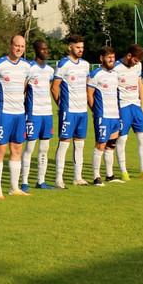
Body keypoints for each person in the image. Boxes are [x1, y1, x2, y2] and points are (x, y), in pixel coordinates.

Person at [0, 34, 31, 198]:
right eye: (17, 46)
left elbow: (24, 87)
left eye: (22, 46)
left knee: (17, 148)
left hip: (19, 114)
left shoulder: (27, 67)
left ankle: (14, 187)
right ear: (10, 46)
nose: (19, 49)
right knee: (1, 149)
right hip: (4, 114)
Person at [114, 44, 143, 181]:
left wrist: (142, 105)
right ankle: (123, 172)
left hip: (136, 106)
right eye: (135, 60)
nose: (136, 64)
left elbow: (140, 84)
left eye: (138, 62)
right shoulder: (116, 68)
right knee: (122, 140)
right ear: (129, 56)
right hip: (123, 106)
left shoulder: (137, 66)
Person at [51, 34, 90, 188]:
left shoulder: (85, 65)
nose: (80, 50)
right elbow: (54, 88)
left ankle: (77, 177)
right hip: (69, 110)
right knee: (64, 143)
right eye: (77, 47)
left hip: (82, 110)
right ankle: (59, 179)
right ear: (70, 47)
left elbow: (86, 85)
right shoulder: (63, 64)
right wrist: (61, 106)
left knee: (80, 144)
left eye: (82, 48)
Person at [87, 46, 123, 185]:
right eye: (109, 57)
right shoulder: (96, 74)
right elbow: (89, 95)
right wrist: (96, 111)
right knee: (100, 145)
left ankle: (110, 175)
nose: (111, 60)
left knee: (111, 145)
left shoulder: (115, 74)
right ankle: (96, 177)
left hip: (115, 116)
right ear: (102, 58)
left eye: (113, 57)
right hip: (103, 115)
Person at [22, 40, 55, 190]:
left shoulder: (49, 70)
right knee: (29, 148)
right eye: (43, 49)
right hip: (33, 113)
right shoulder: (29, 68)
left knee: (44, 148)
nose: (46, 51)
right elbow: (23, 88)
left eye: (47, 49)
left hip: (47, 113)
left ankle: (40, 181)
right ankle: (24, 182)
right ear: (35, 50)